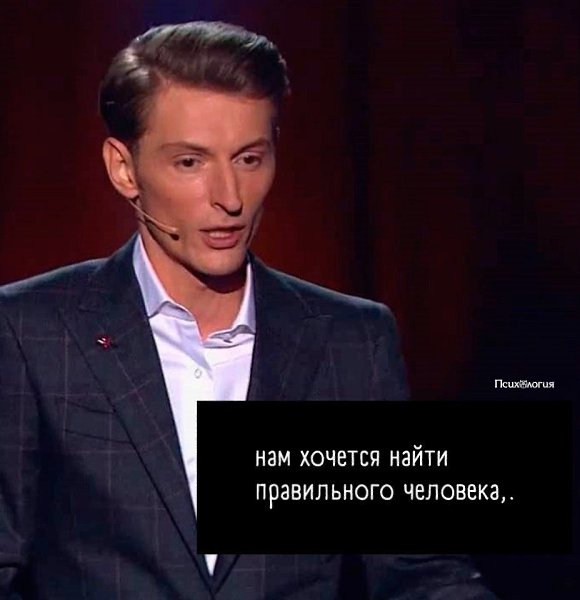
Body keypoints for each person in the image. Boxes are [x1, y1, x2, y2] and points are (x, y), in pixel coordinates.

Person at [0, 21, 497, 599]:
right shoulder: (32, 331)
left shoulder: (351, 342)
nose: (230, 198)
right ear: (124, 168)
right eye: (191, 162)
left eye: (249, 158)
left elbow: (419, 570)